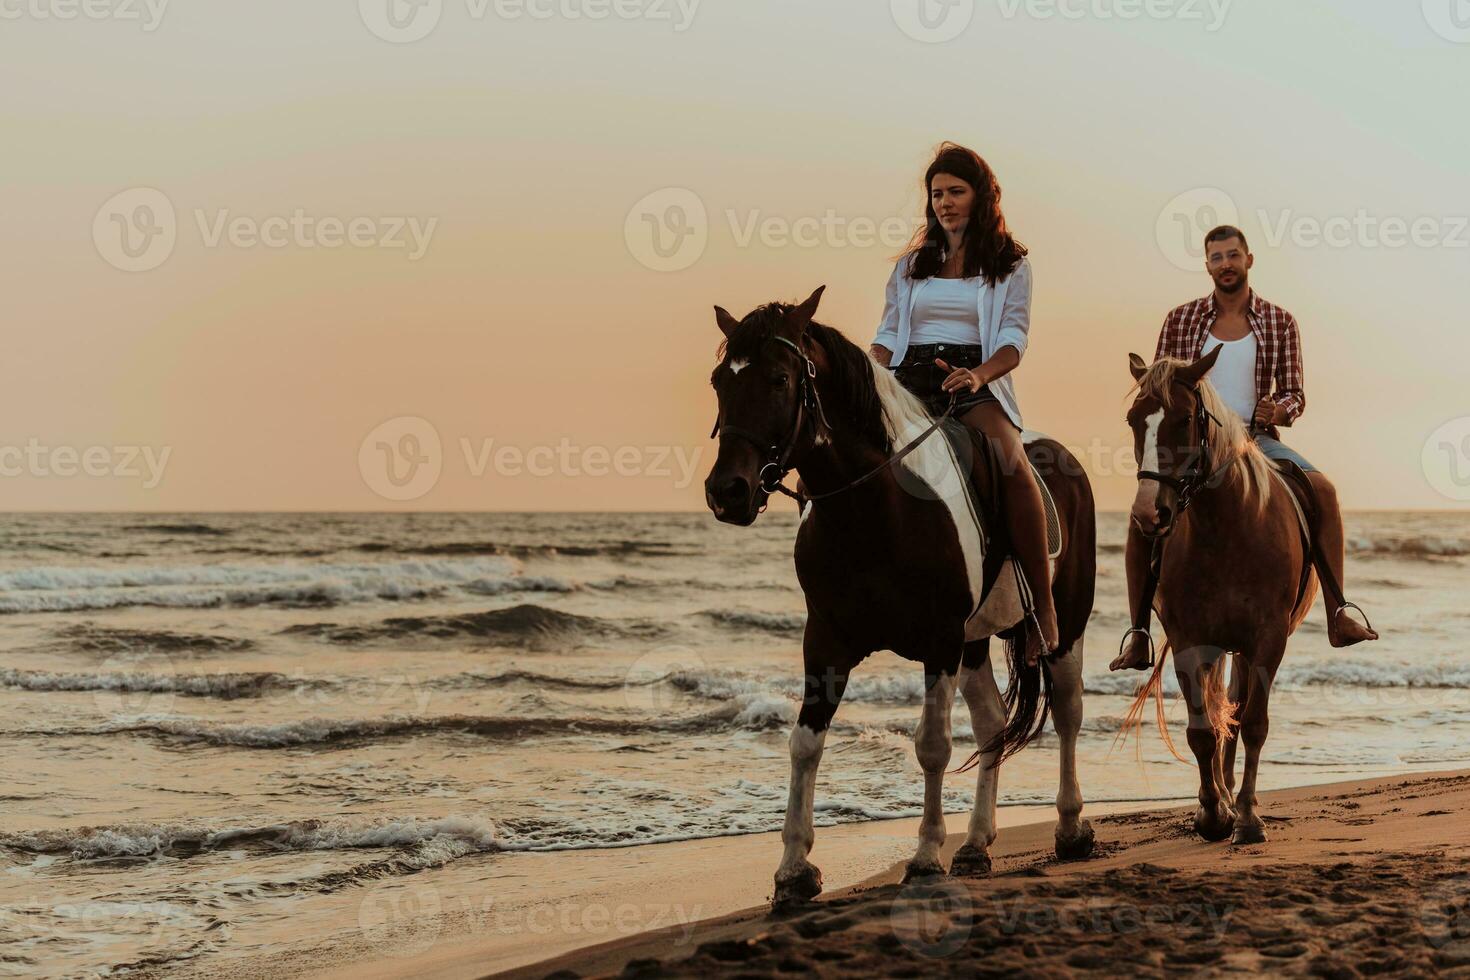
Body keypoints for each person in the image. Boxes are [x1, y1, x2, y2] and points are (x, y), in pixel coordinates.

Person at [1110, 225, 1378, 671]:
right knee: (1144, 515)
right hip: (1194, 445)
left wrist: (1280, 411)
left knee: (1324, 491)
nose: (1225, 264)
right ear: (1207, 265)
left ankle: (1338, 611)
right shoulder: (1180, 320)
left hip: (1258, 443)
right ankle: (1138, 632)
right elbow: (1157, 384)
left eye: (1233, 255)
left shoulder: (1278, 321)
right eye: (1216, 257)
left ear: (1249, 259)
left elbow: (1295, 392)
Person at [869, 142, 1059, 658]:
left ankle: (1042, 607)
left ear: (981, 196)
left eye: (956, 191)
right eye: (936, 194)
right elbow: (888, 332)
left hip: (971, 379)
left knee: (1011, 463)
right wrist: (871, 372)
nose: (944, 203)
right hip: (907, 379)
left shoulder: (1009, 264)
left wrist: (978, 376)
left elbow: (1013, 342)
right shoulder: (911, 266)